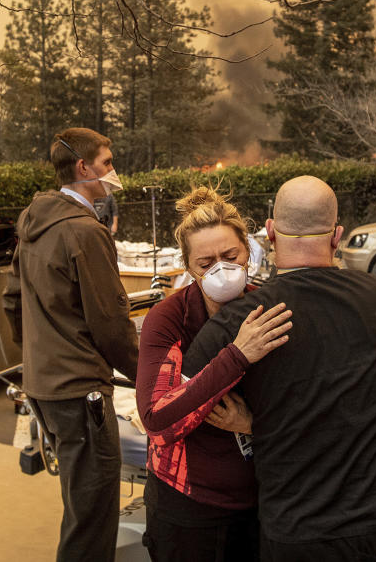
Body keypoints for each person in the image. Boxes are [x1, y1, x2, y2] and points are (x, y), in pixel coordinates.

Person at [184, 176, 376, 562]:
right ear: (337, 235)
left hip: (299, 530)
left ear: (270, 232)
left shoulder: (244, 321)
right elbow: (371, 389)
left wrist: (252, 424)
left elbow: (184, 399)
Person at [2, 127, 139, 562]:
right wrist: (151, 378)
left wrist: (38, 357)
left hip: (44, 385)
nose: (113, 172)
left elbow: (12, 301)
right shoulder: (85, 232)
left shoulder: (34, 223)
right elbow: (110, 323)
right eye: (108, 162)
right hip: (81, 391)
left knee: (78, 499)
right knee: (93, 514)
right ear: (83, 167)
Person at [136, 187, 293, 562]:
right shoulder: (170, 319)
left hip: (263, 500)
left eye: (230, 256)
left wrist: (253, 424)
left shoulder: (270, 309)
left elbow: (305, 406)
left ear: (249, 253)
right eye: (206, 263)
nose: (221, 270)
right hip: (190, 507)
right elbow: (157, 419)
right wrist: (238, 355)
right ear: (188, 266)